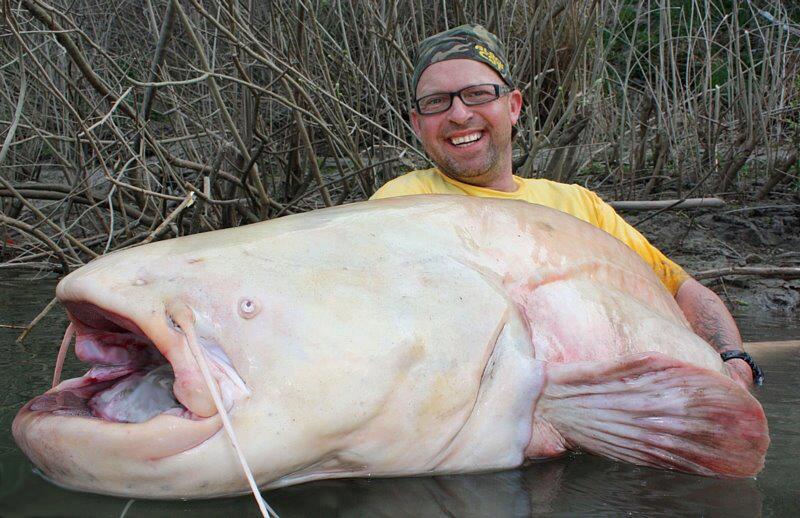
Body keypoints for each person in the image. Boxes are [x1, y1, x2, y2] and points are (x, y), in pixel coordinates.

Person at [371, 24, 761, 389]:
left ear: (513, 106)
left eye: (477, 95)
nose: (459, 114)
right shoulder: (398, 205)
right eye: (437, 102)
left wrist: (734, 362)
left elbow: (683, 291)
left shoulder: (578, 205)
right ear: (418, 124)